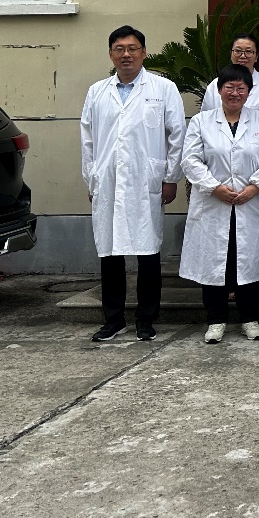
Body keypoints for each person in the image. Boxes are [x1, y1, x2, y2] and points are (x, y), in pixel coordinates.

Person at [80, 25, 185, 342]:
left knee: (148, 253)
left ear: (144, 52)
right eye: (119, 49)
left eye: (132, 48)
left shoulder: (163, 88)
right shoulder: (97, 91)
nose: (126, 54)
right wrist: (92, 178)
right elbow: (87, 139)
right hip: (108, 181)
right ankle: (113, 320)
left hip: (146, 180)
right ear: (111, 54)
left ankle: (146, 319)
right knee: (110, 253)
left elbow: (177, 136)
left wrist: (170, 177)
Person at [180, 64, 259, 343]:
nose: (235, 93)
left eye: (241, 88)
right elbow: (190, 159)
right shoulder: (201, 121)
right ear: (219, 90)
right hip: (214, 203)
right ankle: (216, 320)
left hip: (250, 202)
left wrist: (254, 187)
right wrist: (214, 187)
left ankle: (250, 319)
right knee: (215, 264)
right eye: (229, 87)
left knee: (247, 261)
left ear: (249, 91)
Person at [200, 34, 259, 115]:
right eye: (238, 51)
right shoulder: (215, 84)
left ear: (256, 57)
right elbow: (205, 116)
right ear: (231, 54)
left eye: (248, 51)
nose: (242, 56)